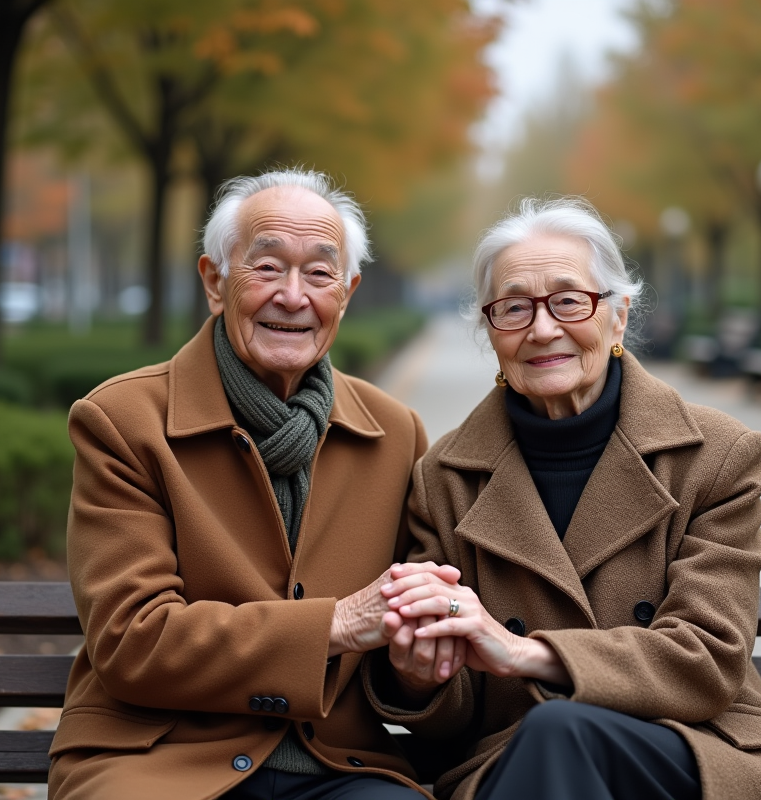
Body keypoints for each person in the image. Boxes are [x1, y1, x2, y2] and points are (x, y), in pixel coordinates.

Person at [365, 197, 761, 800]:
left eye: (570, 300)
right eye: (514, 308)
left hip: (696, 754)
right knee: (551, 737)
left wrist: (525, 652)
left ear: (619, 316)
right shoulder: (442, 475)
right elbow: (455, 718)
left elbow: (706, 658)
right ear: (490, 330)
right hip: (520, 764)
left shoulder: (718, 455)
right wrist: (420, 675)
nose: (543, 328)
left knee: (560, 729)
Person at [48, 168, 460, 800]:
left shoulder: (395, 432)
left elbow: (400, 657)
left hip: (338, 766)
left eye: (320, 274)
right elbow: (132, 640)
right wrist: (334, 625)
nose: (293, 296)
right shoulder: (123, 422)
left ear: (346, 294)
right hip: (160, 763)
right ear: (215, 282)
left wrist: (414, 667)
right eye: (266, 267)